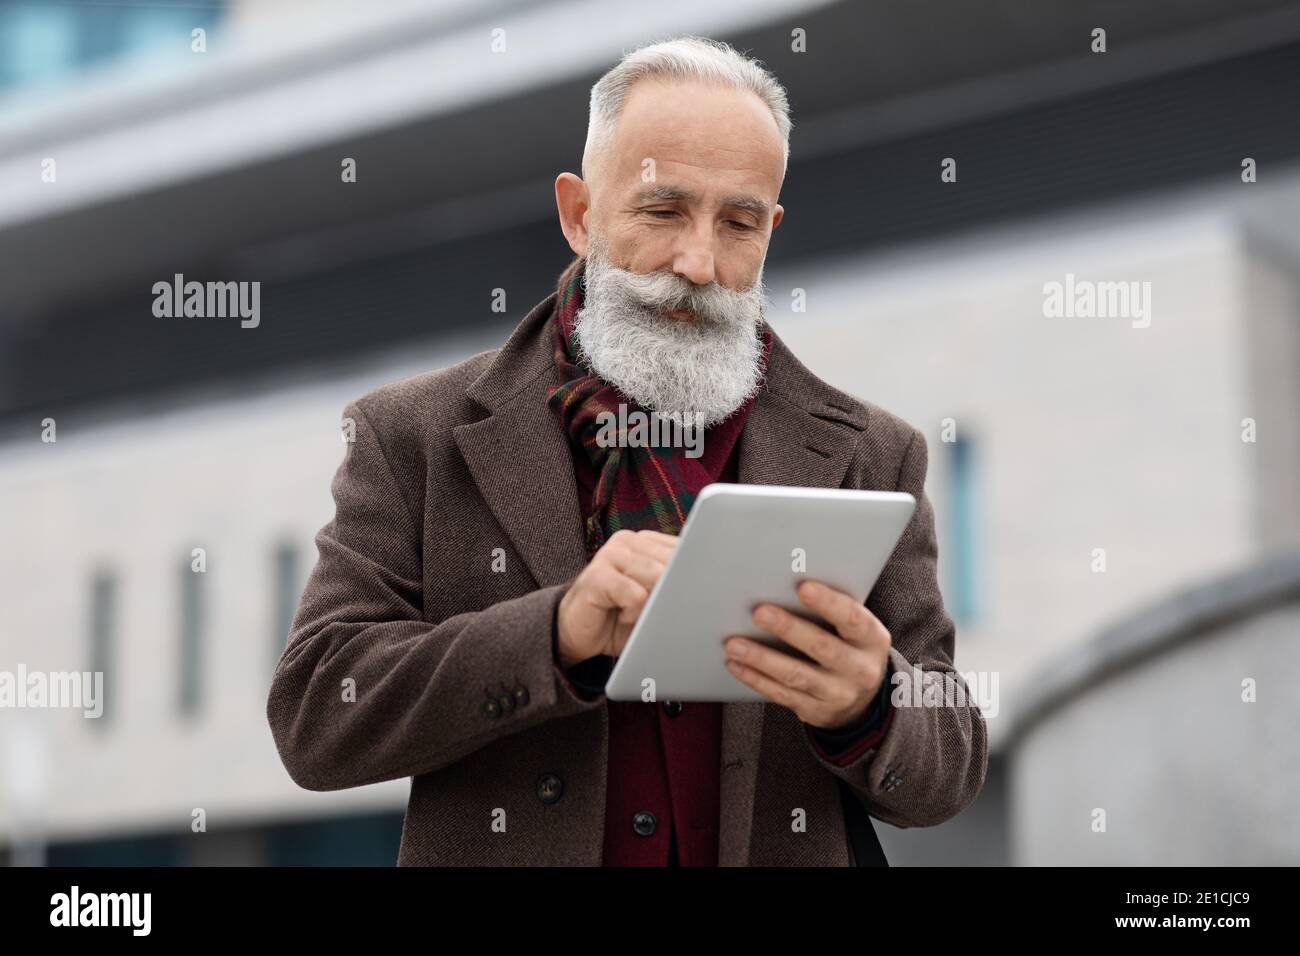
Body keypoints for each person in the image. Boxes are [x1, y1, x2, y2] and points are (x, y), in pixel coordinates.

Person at [267, 35, 987, 866]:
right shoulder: (411, 436)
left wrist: (874, 702)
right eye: (662, 211)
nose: (699, 264)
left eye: (739, 223)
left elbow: (949, 767)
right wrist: (556, 632)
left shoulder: (876, 453)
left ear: (772, 229)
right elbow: (317, 714)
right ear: (579, 214)